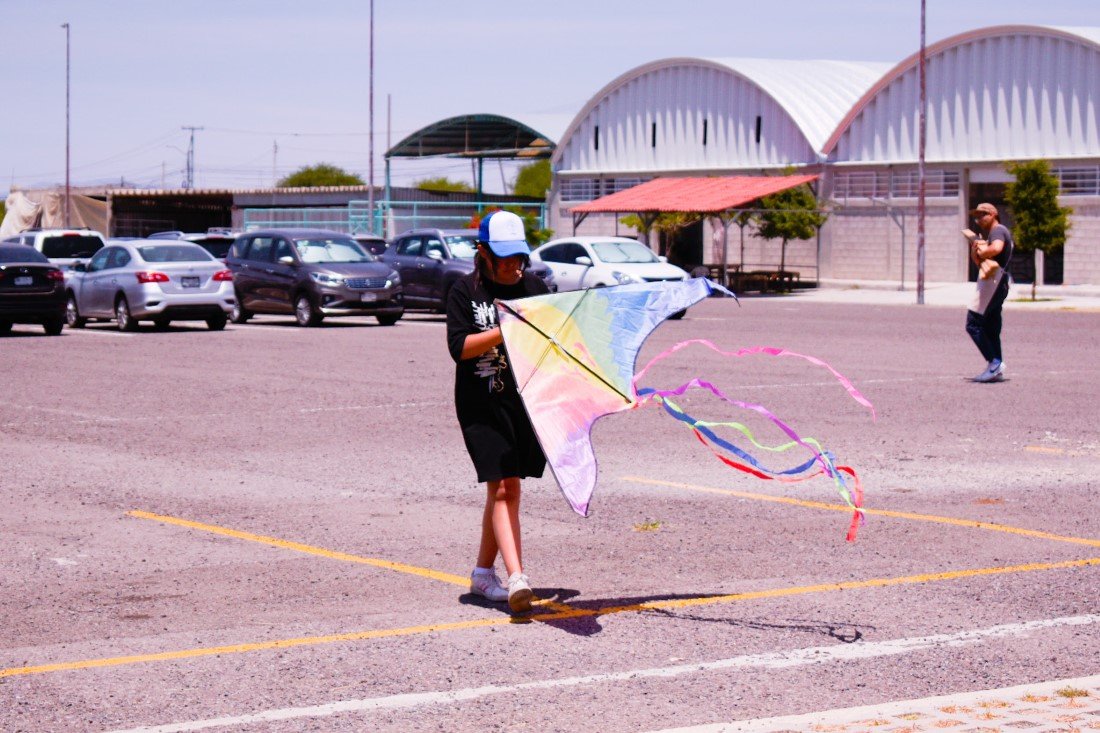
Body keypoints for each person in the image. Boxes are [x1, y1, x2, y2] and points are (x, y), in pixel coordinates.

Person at [445, 210, 549, 613]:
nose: (511, 265)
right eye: (503, 257)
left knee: (503, 488)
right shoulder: (465, 291)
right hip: (481, 404)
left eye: (517, 256)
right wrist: (504, 331)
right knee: (505, 486)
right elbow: (460, 348)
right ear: (483, 251)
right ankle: (517, 576)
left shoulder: (535, 288)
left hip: (522, 402)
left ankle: (482, 574)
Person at [965, 202, 1014, 383]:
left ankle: (994, 363)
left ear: (993, 214)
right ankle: (996, 367)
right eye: (977, 216)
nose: (979, 219)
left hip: (994, 283)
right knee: (991, 328)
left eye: (982, 215)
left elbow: (996, 248)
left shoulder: (998, 231)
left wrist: (983, 250)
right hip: (998, 283)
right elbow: (981, 262)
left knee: (973, 323)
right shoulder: (993, 233)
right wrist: (976, 251)